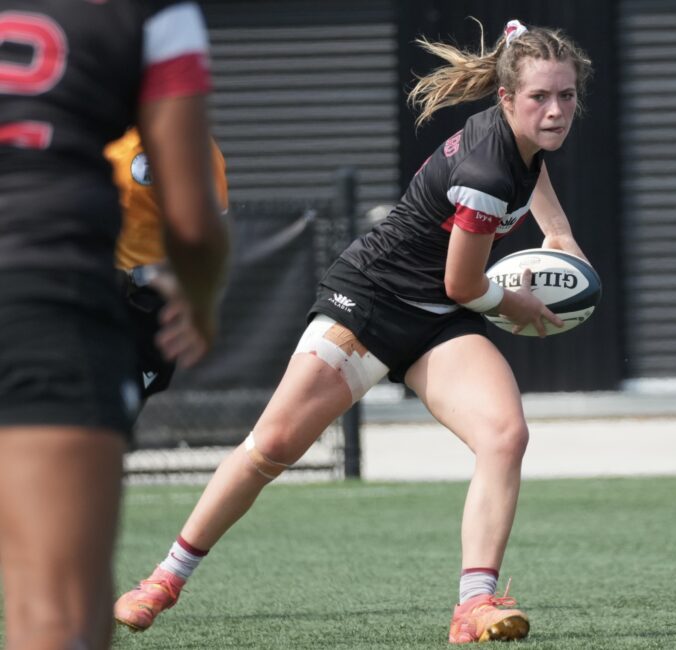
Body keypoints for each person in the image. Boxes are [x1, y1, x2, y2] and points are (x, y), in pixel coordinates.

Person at [114, 18, 592, 644]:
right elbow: (465, 286)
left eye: (567, 96)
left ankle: (474, 604)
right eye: (540, 97)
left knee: (505, 435)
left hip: (437, 321)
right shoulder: (486, 171)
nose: (556, 111)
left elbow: (531, 172)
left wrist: (558, 237)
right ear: (505, 100)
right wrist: (520, 305)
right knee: (273, 447)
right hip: (369, 302)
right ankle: (164, 579)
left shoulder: (517, 141)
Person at [0, 1, 229, 648]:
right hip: (45, 294)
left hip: (91, 303)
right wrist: (202, 302)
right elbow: (196, 223)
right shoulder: (151, 17)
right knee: (60, 609)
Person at [107, 127, 229, 405]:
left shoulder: (190, 143)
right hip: (92, 292)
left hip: (148, 301)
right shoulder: (94, 129)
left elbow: (209, 232)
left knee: (116, 409)